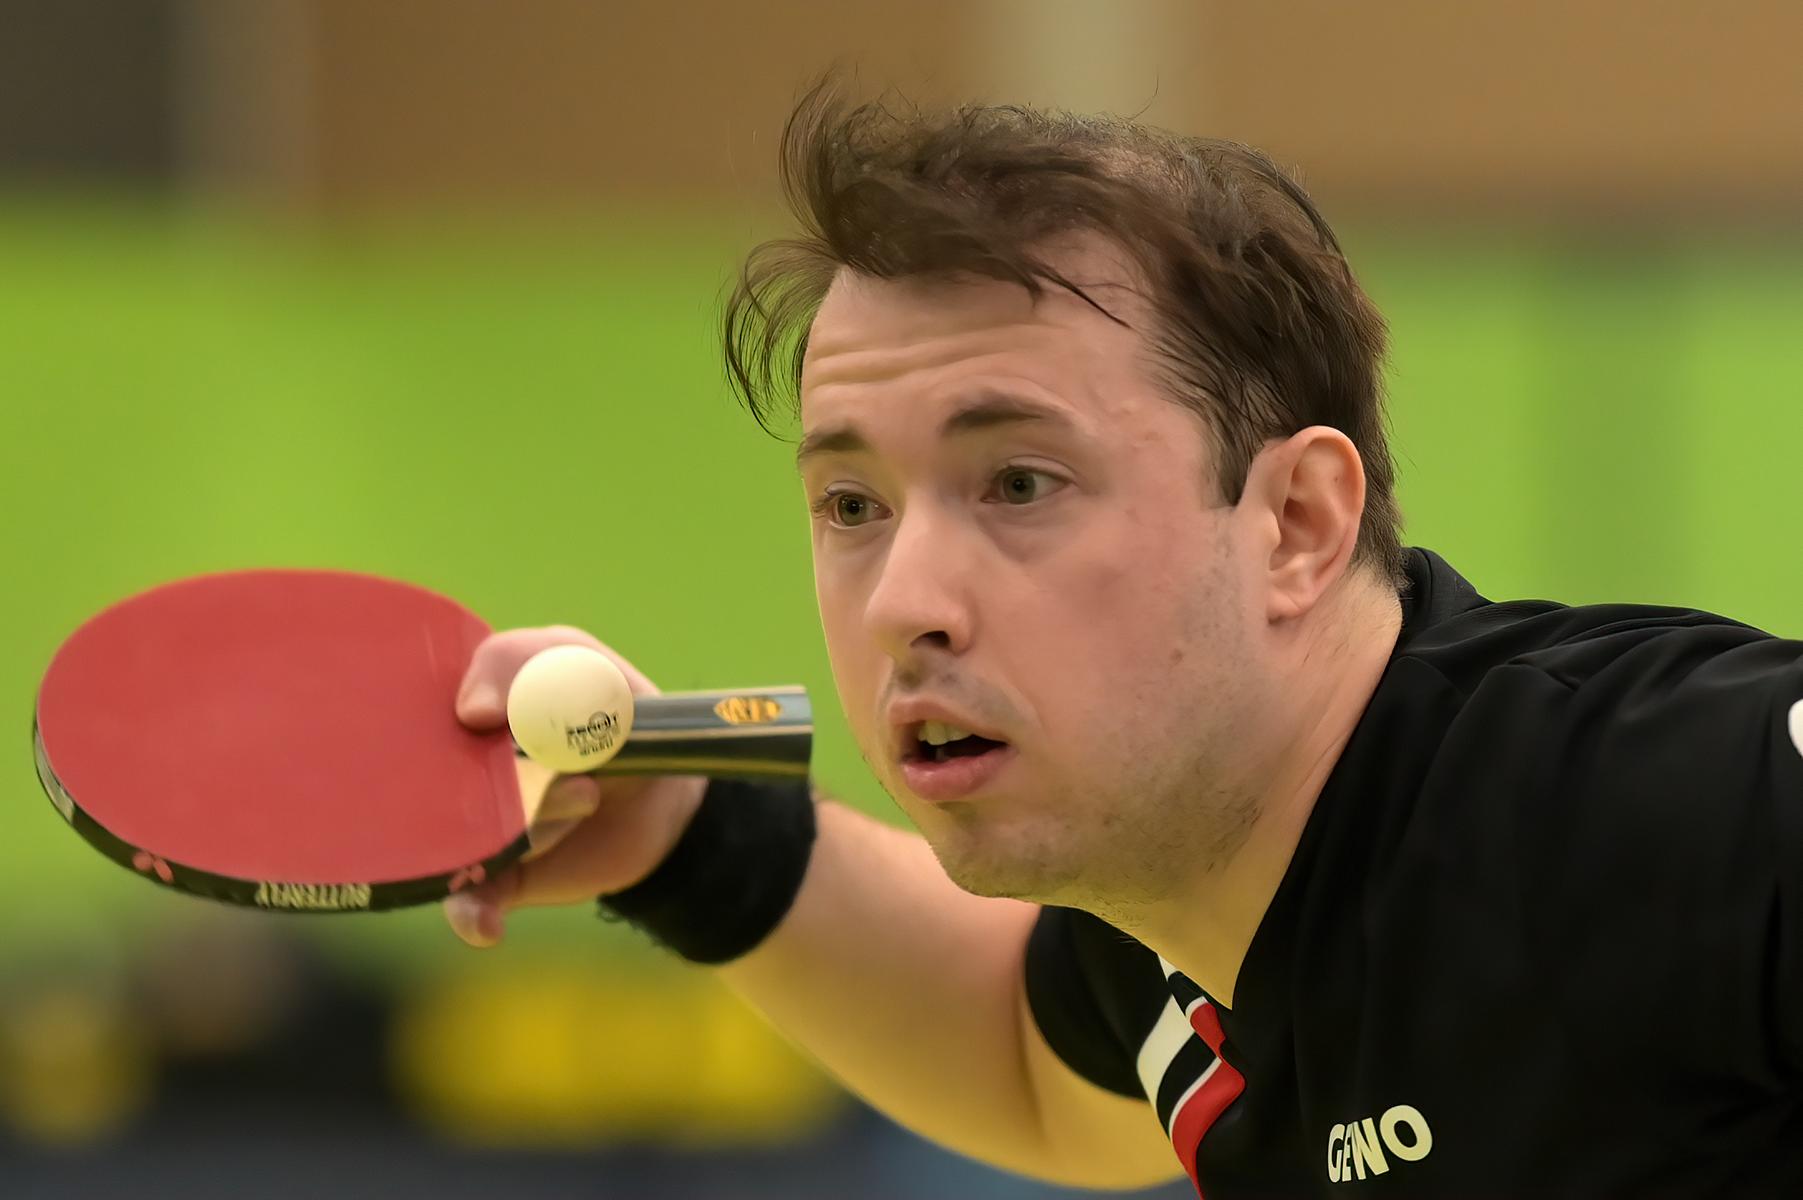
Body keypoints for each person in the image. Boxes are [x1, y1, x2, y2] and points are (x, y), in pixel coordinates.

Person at [442, 83, 1803, 1197]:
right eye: (852, 504)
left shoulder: (1669, 798)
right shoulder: (1181, 922)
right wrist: (684, 834)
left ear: (1295, 523)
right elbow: (1018, 1052)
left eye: (1019, 483)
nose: (906, 600)